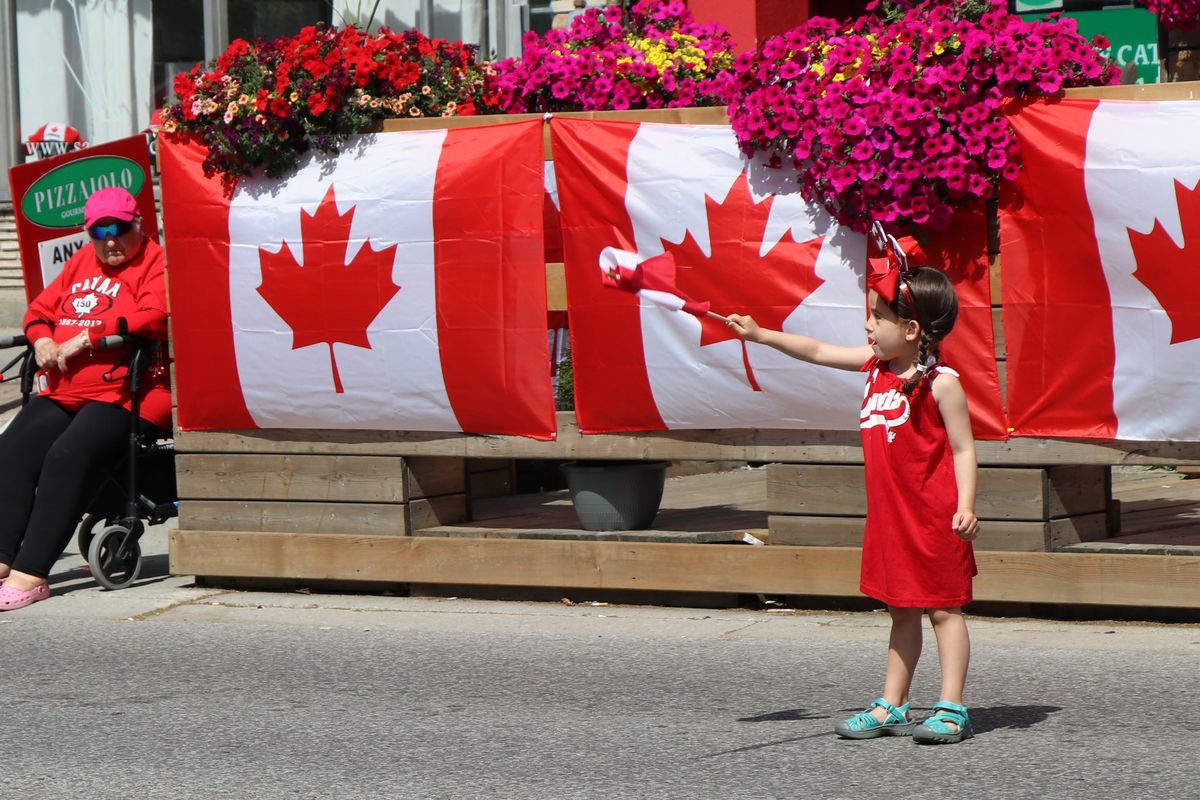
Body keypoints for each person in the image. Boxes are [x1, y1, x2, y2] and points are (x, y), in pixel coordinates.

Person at [727, 253, 980, 746]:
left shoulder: (940, 384)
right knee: (901, 609)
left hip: (934, 519)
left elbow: (964, 448)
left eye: (876, 317)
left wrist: (966, 505)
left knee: (945, 610)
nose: (867, 325)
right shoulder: (872, 367)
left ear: (910, 329)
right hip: (890, 519)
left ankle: (952, 708)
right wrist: (761, 335)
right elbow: (818, 350)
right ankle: (893, 703)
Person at [0, 186, 170, 610]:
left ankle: (31, 573)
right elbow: (39, 311)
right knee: (13, 448)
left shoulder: (156, 260)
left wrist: (88, 338)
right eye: (99, 231)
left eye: (120, 228)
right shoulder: (81, 260)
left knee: (65, 455)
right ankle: (2, 558)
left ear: (139, 224)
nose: (110, 240)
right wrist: (41, 341)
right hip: (66, 387)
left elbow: (157, 316)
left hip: (132, 390)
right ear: (88, 233)